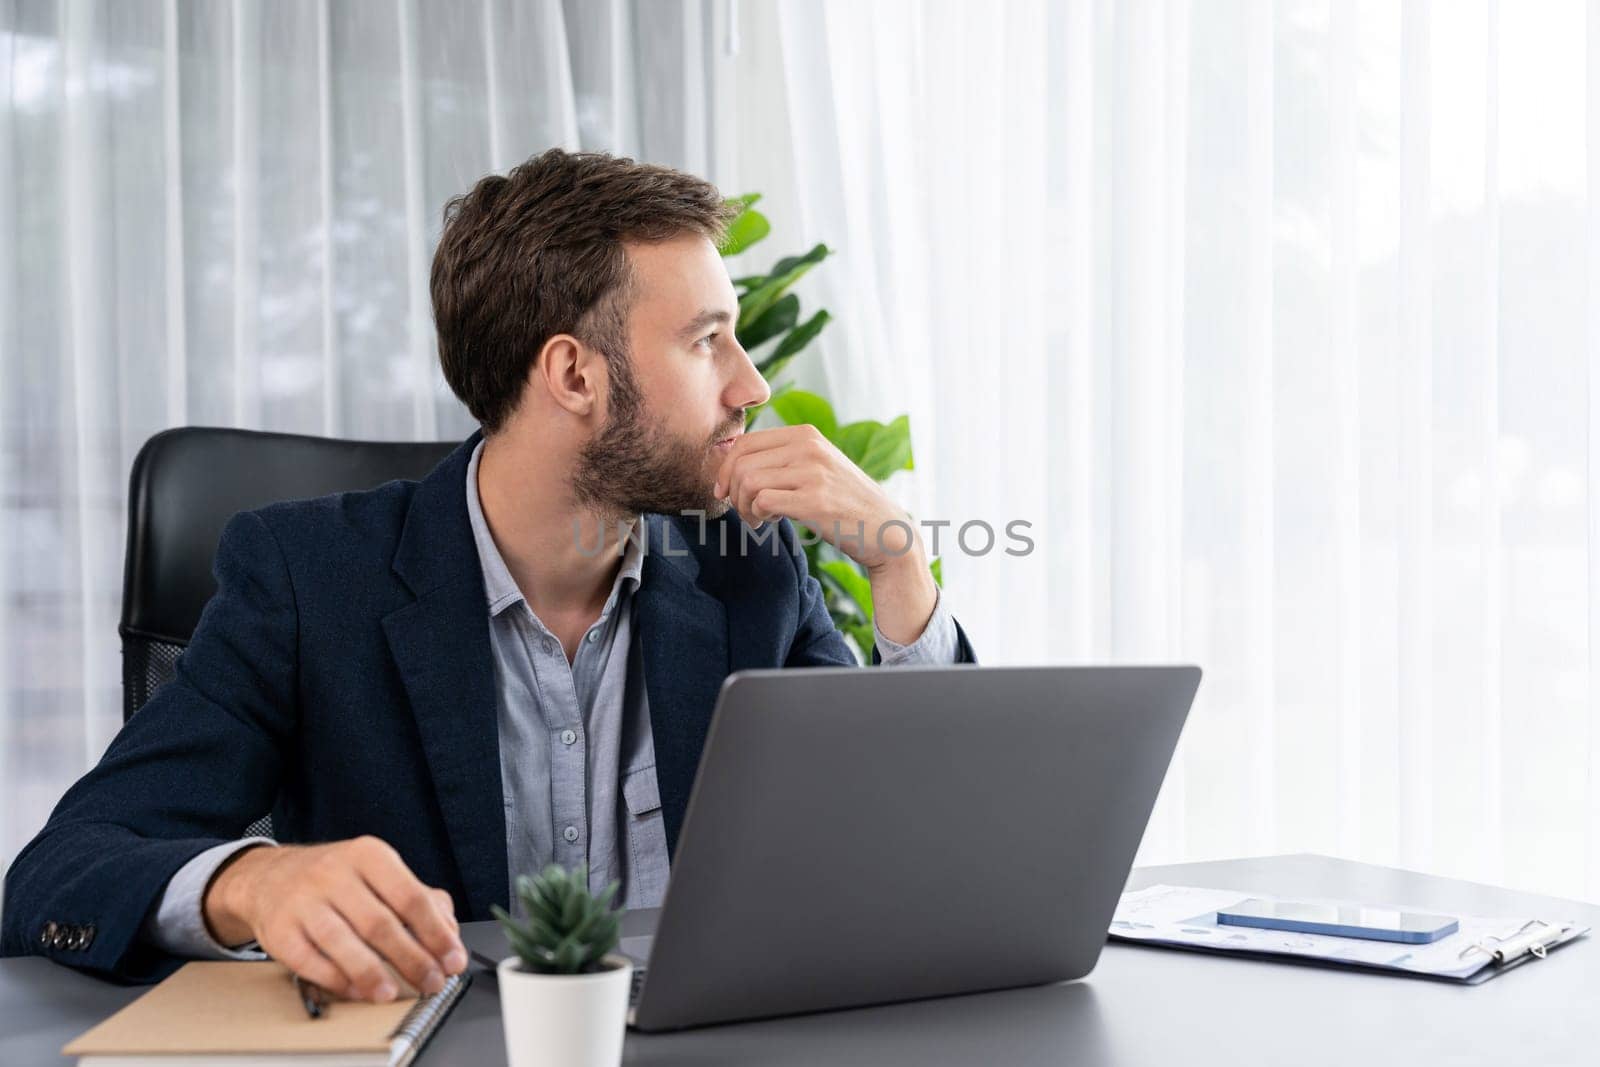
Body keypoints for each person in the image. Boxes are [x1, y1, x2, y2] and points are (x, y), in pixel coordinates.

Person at [1, 149, 974, 1001]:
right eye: (706, 338)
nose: (750, 385)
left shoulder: (747, 573)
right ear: (574, 375)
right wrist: (253, 883)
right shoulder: (308, 579)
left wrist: (897, 566)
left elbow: (916, 857)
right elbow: (62, 869)